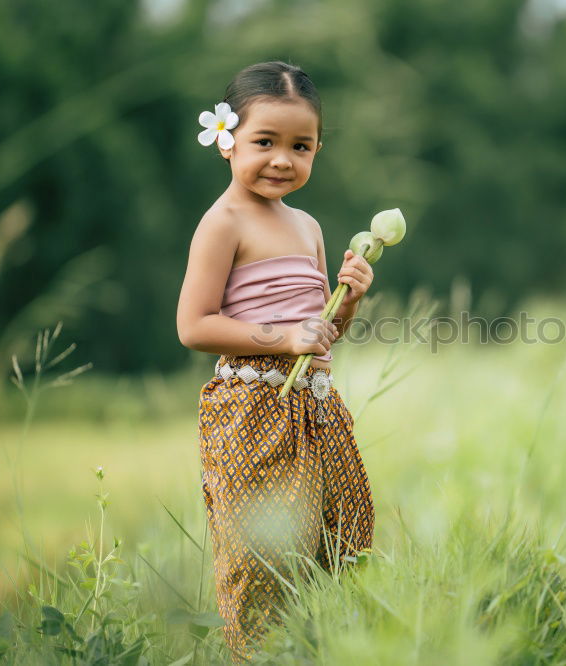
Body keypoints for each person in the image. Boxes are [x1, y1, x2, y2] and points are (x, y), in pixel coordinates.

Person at [176, 61, 375, 662]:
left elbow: (320, 339)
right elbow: (194, 326)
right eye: (265, 142)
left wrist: (350, 300)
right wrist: (282, 340)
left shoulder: (308, 226)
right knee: (261, 559)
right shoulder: (223, 223)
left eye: (300, 146)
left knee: (335, 548)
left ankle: (318, 651)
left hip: (314, 409)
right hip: (252, 408)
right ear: (227, 138)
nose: (282, 159)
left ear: (318, 149)